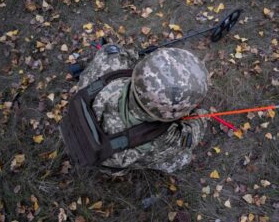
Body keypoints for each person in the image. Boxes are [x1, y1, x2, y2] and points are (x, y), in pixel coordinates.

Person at [65, 44, 209, 174]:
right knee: (181, 158)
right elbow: (192, 135)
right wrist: (203, 115)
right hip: (107, 159)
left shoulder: (111, 62)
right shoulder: (164, 139)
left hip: (79, 118)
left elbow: (123, 52)